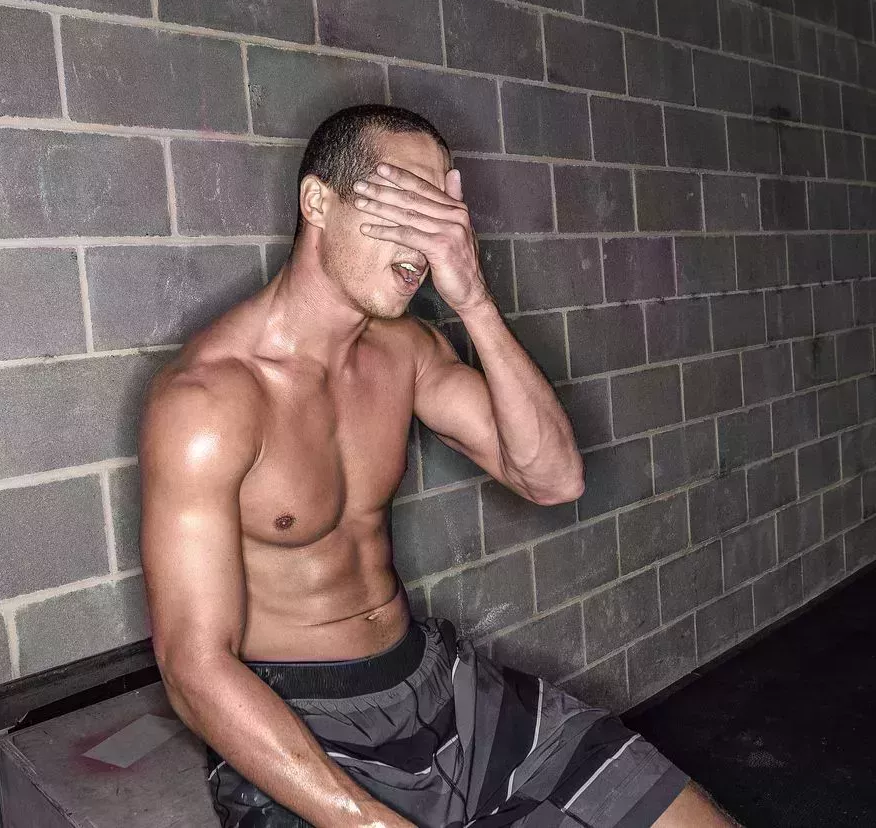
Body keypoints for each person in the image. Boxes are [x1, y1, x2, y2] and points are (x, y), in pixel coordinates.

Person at [139, 105, 740, 828]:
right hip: (303, 731)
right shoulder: (208, 403)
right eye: (403, 204)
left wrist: (473, 298)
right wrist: (368, 823)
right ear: (317, 201)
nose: (427, 238)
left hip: (438, 688)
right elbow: (193, 670)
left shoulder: (407, 353)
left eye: (441, 211)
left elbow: (552, 477)